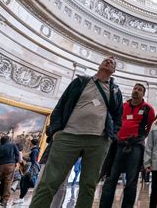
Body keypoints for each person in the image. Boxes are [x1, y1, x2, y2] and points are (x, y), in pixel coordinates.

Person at [30, 56, 123, 208]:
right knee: (49, 182)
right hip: (68, 136)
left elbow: (118, 116)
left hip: (98, 141)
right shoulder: (80, 82)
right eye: (106, 60)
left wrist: (110, 138)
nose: (109, 62)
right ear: (99, 65)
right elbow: (61, 106)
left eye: (112, 62)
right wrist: (55, 132)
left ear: (114, 71)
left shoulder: (115, 91)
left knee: (88, 186)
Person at [100, 83, 155, 208]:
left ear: (143, 94)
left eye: (140, 90)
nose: (136, 91)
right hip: (118, 144)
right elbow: (115, 121)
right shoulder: (123, 106)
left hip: (135, 146)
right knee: (111, 178)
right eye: (135, 88)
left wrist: (140, 138)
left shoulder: (148, 108)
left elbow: (150, 127)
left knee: (131, 180)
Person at [14, 138, 41, 204]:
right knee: (23, 183)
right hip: (30, 168)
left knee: (25, 183)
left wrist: (25, 158)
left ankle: (21, 198)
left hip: (30, 169)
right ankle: (21, 198)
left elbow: (33, 160)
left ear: (32, 143)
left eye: (30, 142)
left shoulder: (34, 150)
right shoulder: (35, 150)